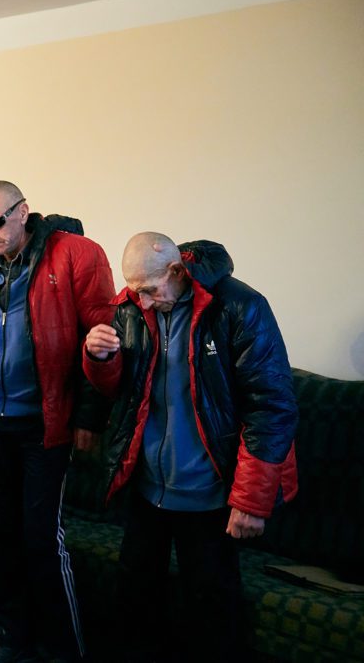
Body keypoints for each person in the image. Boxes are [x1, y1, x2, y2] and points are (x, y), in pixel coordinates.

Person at [82, 233, 298, 660]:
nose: (143, 302)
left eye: (150, 290)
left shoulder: (240, 307)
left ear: (176, 270)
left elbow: (271, 406)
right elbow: (120, 393)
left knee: (212, 613)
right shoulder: (131, 307)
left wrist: (251, 501)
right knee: (134, 606)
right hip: (147, 487)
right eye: (135, 291)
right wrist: (99, 358)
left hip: (210, 493)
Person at [0, 180, 115, 663]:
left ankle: (64, 649)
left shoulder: (75, 254)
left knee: (41, 539)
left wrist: (89, 415)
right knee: (1, 536)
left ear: (23, 211)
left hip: (42, 424)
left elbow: (103, 339)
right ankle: (14, 640)